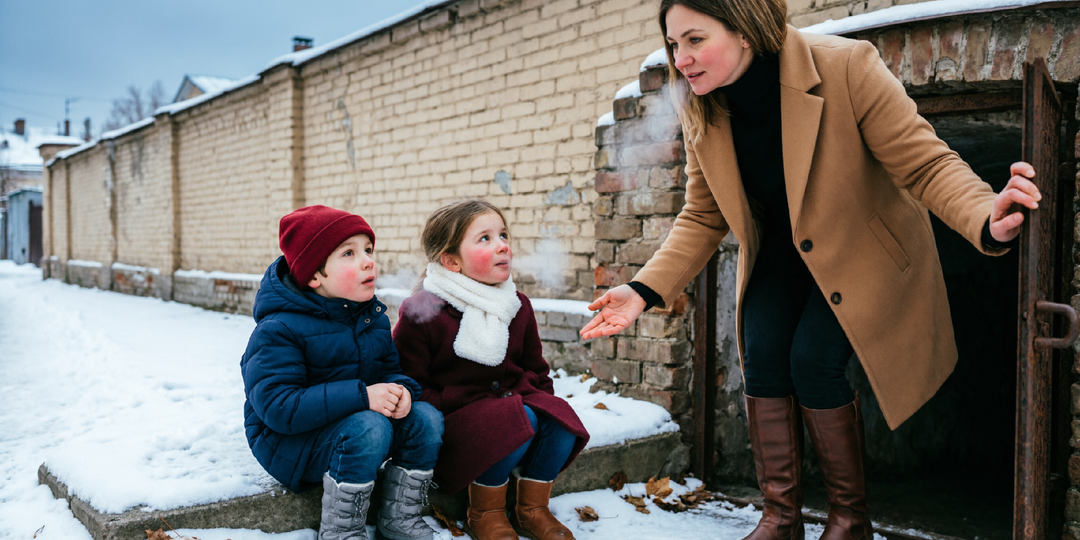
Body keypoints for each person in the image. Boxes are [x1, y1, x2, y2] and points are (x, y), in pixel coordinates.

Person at [579, 1, 1042, 540]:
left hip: (862, 245)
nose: (681, 59)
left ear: (745, 30)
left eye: (695, 40)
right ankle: (780, 518)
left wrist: (985, 214)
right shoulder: (702, 106)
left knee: (813, 360)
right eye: (673, 44)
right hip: (782, 249)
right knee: (763, 357)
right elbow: (703, 215)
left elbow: (925, 163)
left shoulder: (846, 66)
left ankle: (850, 521)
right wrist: (642, 290)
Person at [241, 205, 444, 540]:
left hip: (353, 429)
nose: (368, 261)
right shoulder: (278, 329)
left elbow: (391, 372)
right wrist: (364, 397)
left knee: (426, 418)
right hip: (290, 444)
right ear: (314, 276)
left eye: (368, 250)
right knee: (369, 426)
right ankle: (341, 531)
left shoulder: (372, 319)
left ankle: (400, 517)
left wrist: (402, 392)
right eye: (349, 253)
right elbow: (279, 407)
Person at [393, 199, 589, 540]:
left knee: (559, 419)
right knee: (515, 420)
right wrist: (450, 402)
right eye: (485, 238)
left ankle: (532, 509)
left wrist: (544, 404)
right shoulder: (422, 309)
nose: (502, 246)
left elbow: (536, 367)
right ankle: (485, 512)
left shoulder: (517, 303)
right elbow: (410, 383)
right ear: (451, 261)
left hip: (513, 404)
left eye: (503, 235)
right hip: (458, 420)